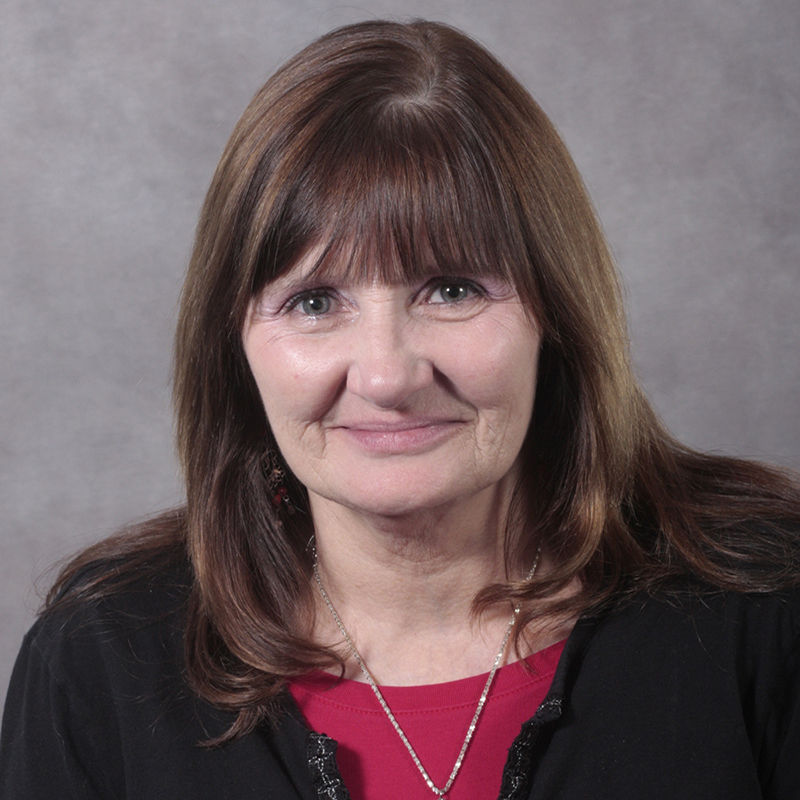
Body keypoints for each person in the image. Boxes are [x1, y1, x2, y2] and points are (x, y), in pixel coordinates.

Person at [1, 18, 799, 800]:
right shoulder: (102, 663)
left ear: (558, 310)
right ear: (233, 346)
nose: (386, 376)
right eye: (314, 301)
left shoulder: (765, 610)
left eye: (451, 290)